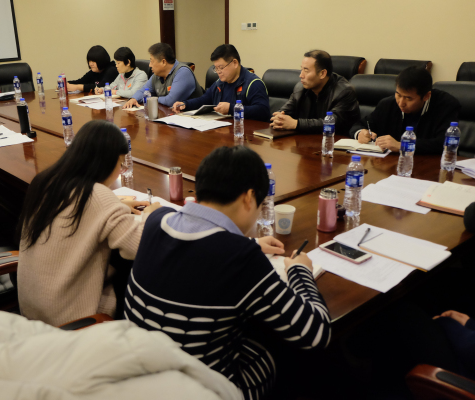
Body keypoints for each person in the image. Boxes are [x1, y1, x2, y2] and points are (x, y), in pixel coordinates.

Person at [124, 145, 331, 399]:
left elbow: (196, 245)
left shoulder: (157, 221)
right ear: (249, 198)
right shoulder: (241, 258)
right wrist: (300, 271)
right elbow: (316, 333)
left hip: (136, 376)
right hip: (199, 393)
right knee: (272, 352)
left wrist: (252, 243)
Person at [17, 120, 162, 327]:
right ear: (105, 161)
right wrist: (150, 215)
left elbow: (82, 209)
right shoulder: (97, 196)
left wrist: (116, 204)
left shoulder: (46, 180)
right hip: (71, 321)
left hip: (33, 313)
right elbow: (138, 246)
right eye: (120, 163)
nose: (121, 170)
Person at [351, 66, 461, 154]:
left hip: (429, 166)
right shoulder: (388, 104)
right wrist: (360, 133)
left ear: (426, 96)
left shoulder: (446, 106)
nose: (401, 103)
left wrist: (403, 145)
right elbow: (358, 125)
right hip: (391, 165)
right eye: (398, 95)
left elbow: (444, 143)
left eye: (408, 98)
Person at [271, 50, 360, 136]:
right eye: (301, 69)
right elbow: (285, 111)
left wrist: (296, 124)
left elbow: (333, 122)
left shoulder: (344, 91)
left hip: (333, 141)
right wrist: (279, 118)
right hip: (305, 141)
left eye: (306, 70)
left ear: (322, 73)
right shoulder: (300, 88)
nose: (301, 75)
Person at [172, 44, 270, 122]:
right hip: (223, 129)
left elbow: (262, 111)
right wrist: (186, 104)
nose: (218, 72)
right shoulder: (220, 82)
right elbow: (205, 100)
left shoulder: (254, 84)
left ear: (235, 63)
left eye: (221, 68)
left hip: (246, 133)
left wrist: (231, 109)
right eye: (216, 68)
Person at [124, 43, 203, 109]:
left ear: (163, 62)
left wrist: (153, 99)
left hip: (193, 118)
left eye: (152, 61)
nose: (150, 65)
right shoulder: (157, 75)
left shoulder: (183, 72)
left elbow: (171, 101)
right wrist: (134, 99)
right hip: (170, 115)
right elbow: (143, 91)